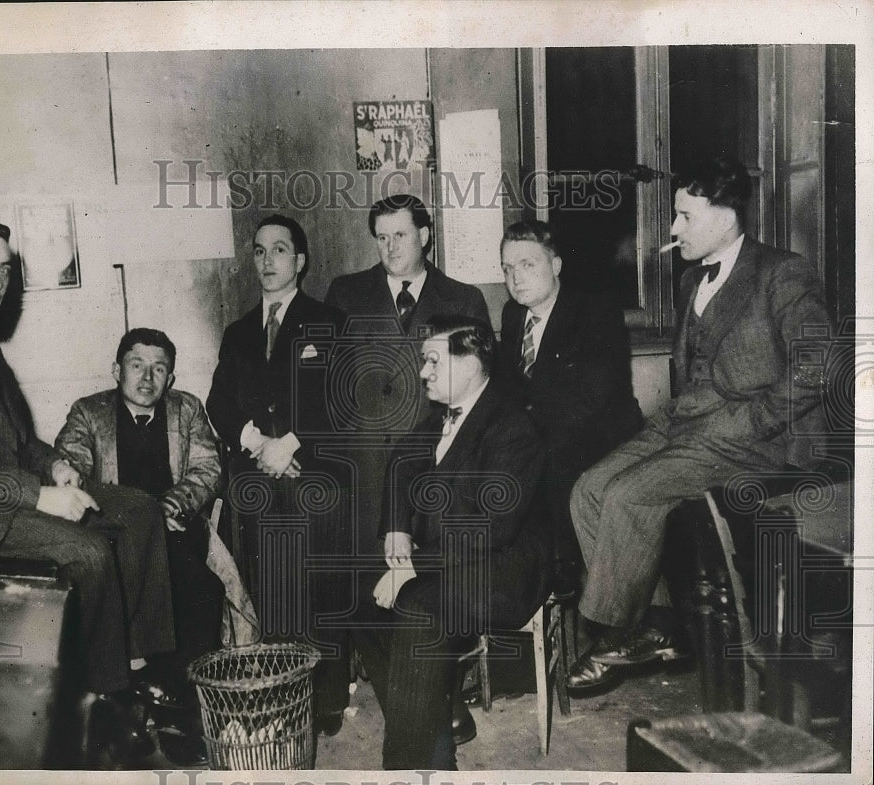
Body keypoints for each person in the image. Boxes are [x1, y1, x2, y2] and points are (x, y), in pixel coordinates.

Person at [0, 212, 177, 740]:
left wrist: (54, 464)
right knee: (88, 552)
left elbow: (18, 441)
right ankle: (106, 701)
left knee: (140, 510)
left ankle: (138, 663)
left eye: (3, 270)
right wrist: (41, 496)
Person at [567, 156, 831, 691]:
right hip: (689, 419)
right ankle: (656, 626)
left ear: (726, 215)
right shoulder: (691, 280)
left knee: (627, 496)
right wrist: (677, 414)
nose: (672, 228)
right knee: (588, 490)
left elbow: (818, 363)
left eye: (685, 216)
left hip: (756, 436)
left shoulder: (782, 271)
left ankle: (619, 635)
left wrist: (753, 420)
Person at [353, 315, 549, 770]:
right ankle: (435, 732)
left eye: (433, 361)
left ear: (473, 362)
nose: (423, 372)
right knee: (359, 596)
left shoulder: (511, 426)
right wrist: (399, 528)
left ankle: (405, 765)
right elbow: (402, 460)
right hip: (451, 559)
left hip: (504, 568)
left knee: (418, 608)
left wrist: (411, 567)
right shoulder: (442, 418)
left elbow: (491, 528)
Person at [206, 214, 351, 736]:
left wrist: (291, 443)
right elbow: (219, 402)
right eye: (260, 251)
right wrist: (257, 443)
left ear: (301, 262)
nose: (268, 261)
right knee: (268, 583)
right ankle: (280, 692)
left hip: (312, 469)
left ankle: (327, 698)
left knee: (318, 579)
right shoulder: (238, 331)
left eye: (279, 251)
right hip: (258, 475)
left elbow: (340, 399)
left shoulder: (328, 322)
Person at [55, 328, 257, 699]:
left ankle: (188, 703)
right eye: (137, 365)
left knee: (200, 590)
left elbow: (207, 470)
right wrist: (138, 514)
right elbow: (72, 463)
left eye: (159, 369)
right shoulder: (89, 412)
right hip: (114, 532)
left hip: (177, 524)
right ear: (116, 370)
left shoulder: (187, 408)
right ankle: (134, 690)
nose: (147, 378)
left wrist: (167, 506)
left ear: (171, 378)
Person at [324, 193, 491, 569]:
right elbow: (327, 383)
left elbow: (482, 392)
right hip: (364, 465)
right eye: (382, 238)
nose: (390, 247)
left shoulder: (463, 300)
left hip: (432, 463)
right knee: (367, 583)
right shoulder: (346, 294)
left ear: (425, 236)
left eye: (400, 235)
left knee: (427, 584)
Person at [497, 219, 642, 588]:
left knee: (551, 465)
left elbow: (592, 400)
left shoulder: (595, 313)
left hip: (598, 440)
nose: (516, 278)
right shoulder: (513, 316)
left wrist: (525, 440)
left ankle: (566, 573)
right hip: (544, 436)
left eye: (528, 265)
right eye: (508, 268)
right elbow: (509, 389)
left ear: (555, 266)